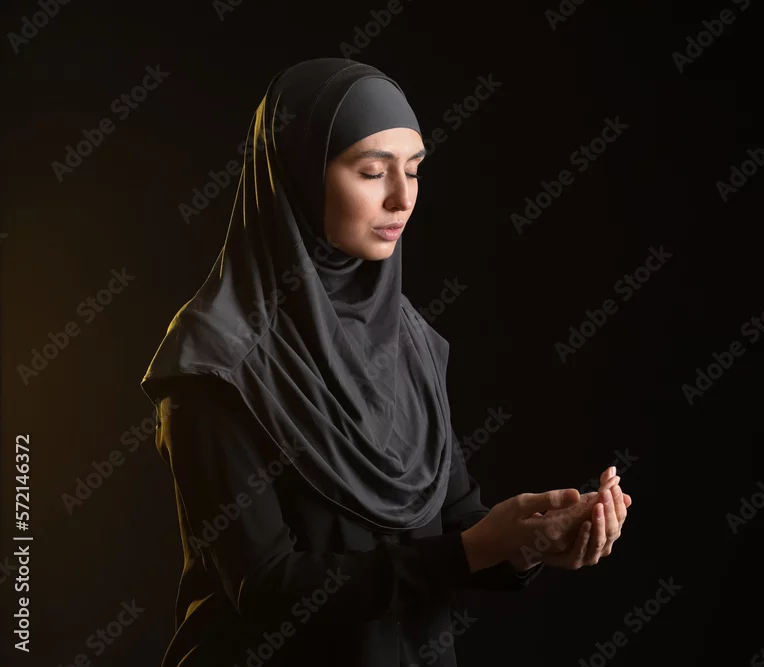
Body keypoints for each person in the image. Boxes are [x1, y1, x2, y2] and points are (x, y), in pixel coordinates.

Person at [140, 58, 633, 667]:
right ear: (297, 174)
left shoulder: (407, 337)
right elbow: (266, 588)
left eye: (415, 170)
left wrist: (532, 540)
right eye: (373, 172)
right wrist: (477, 547)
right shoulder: (216, 363)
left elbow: (451, 524)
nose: (402, 197)